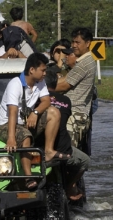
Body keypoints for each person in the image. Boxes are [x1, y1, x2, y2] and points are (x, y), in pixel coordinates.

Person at [0, 52, 69, 191]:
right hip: (7, 125)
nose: (44, 73)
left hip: (25, 121)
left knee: (54, 112)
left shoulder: (39, 82)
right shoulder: (15, 84)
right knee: (25, 136)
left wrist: (35, 113)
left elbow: (46, 101)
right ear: (31, 70)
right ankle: (28, 177)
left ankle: (48, 151)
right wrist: (11, 138)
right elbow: (12, 112)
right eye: (42, 70)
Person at [43, 69, 90, 200]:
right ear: (55, 83)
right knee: (85, 161)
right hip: (63, 149)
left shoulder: (36, 100)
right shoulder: (65, 100)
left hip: (39, 148)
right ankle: (70, 187)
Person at [55, 27, 97, 150]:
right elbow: (65, 79)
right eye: (73, 42)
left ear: (88, 43)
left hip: (75, 114)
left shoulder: (84, 63)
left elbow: (63, 85)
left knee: (67, 152)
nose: (74, 45)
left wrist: (40, 87)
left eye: (77, 42)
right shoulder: (81, 62)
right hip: (70, 111)